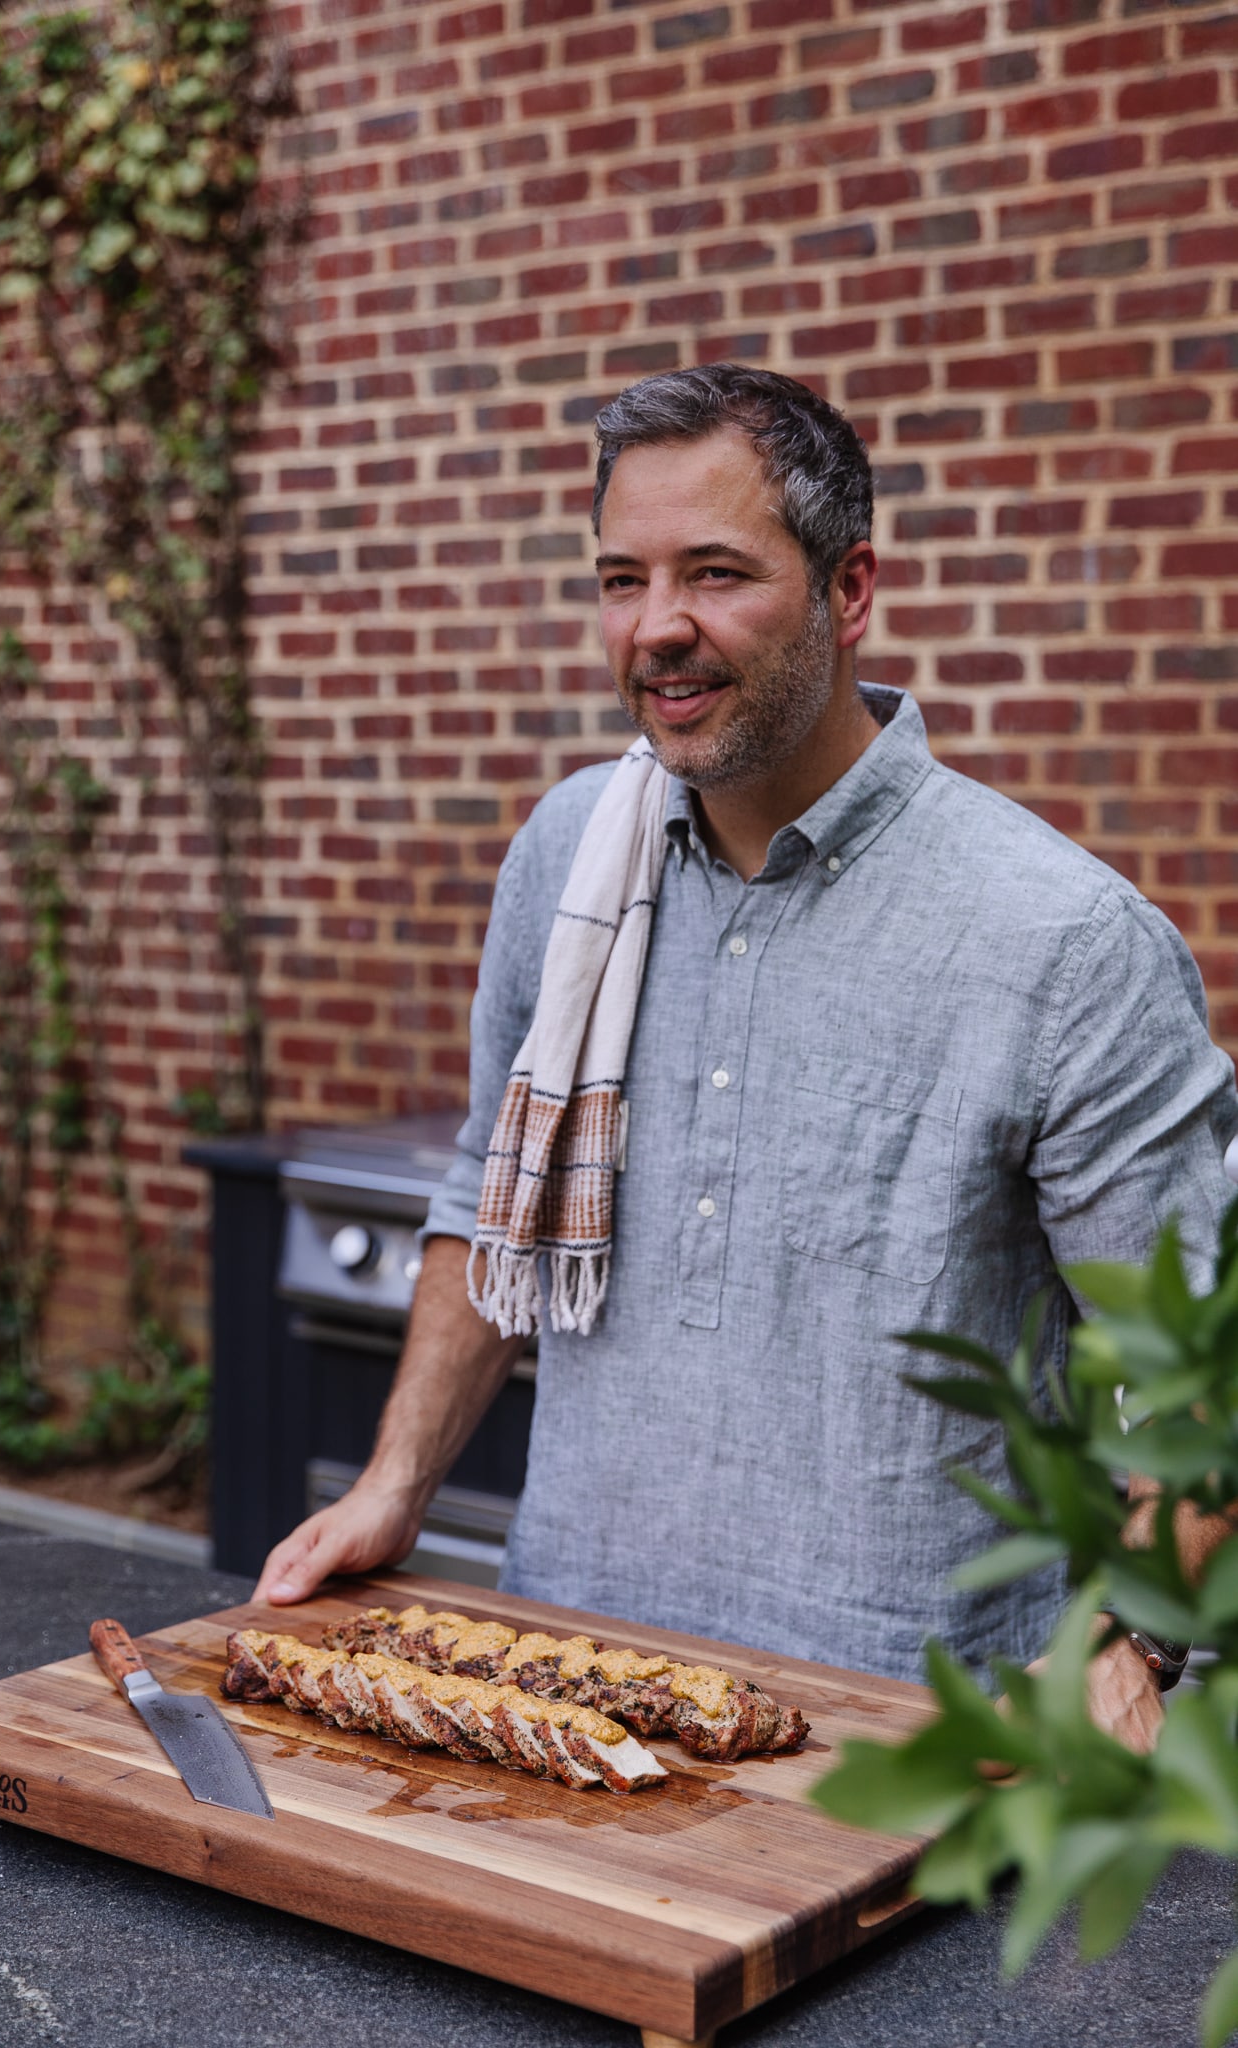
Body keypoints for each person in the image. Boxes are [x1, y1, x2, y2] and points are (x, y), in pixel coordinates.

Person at [255, 364, 1237, 1749]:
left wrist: (1129, 1638)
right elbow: (491, 1190)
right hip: (569, 1680)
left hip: (928, 1733)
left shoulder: (1060, 939)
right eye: (619, 578)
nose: (658, 628)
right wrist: (394, 1484)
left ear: (848, 590)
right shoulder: (565, 857)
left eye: (715, 573)